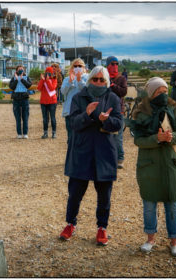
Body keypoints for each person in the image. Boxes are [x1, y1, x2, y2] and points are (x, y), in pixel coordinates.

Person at [60, 66, 123, 246]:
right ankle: (70, 224)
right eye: (94, 79)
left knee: (104, 195)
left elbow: (118, 123)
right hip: (82, 151)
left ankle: (102, 227)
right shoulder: (79, 97)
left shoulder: (113, 98)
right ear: (89, 81)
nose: (98, 82)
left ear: (107, 81)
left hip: (104, 153)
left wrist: (107, 121)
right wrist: (87, 114)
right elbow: (73, 123)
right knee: (75, 193)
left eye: (101, 80)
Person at [130, 77, 176, 257]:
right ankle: (150, 239)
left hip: (171, 162)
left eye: (165, 91)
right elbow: (138, 140)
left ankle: (174, 242)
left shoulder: (175, 109)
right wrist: (157, 139)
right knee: (149, 204)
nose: (163, 95)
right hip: (149, 165)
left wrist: (172, 137)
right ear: (151, 93)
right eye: (158, 92)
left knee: (172, 204)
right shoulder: (141, 112)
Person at [106, 56, 127, 169]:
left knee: (118, 137)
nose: (114, 66)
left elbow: (123, 92)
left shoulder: (121, 78)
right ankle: (108, 157)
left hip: (118, 111)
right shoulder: (103, 76)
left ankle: (120, 158)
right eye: (112, 64)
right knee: (106, 135)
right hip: (105, 110)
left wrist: (113, 86)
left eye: (116, 64)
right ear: (108, 65)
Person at [61, 58, 89, 144]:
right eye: (75, 66)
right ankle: (71, 155)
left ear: (84, 67)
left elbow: (86, 91)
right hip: (69, 110)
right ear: (72, 68)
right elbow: (63, 91)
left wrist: (79, 80)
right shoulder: (66, 79)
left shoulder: (88, 78)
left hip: (82, 110)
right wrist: (70, 81)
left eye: (79, 66)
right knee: (70, 136)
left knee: (83, 136)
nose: (77, 68)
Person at [9, 65, 32, 139]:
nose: (21, 70)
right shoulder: (13, 78)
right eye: (19, 69)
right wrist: (16, 79)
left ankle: (25, 133)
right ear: (16, 70)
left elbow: (29, 85)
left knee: (25, 116)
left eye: (22, 69)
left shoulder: (26, 77)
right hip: (16, 99)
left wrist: (22, 79)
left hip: (24, 99)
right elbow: (11, 87)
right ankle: (19, 133)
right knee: (17, 117)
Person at [37, 66, 58, 139]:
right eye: (46, 73)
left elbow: (52, 88)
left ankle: (54, 133)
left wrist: (48, 80)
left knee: (53, 118)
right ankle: (45, 133)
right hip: (43, 101)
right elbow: (39, 88)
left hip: (52, 101)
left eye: (49, 73)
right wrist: (42, 80)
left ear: (52, 74)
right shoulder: (43, 80)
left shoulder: (54, 79)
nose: (48, 74)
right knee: (45, 118)